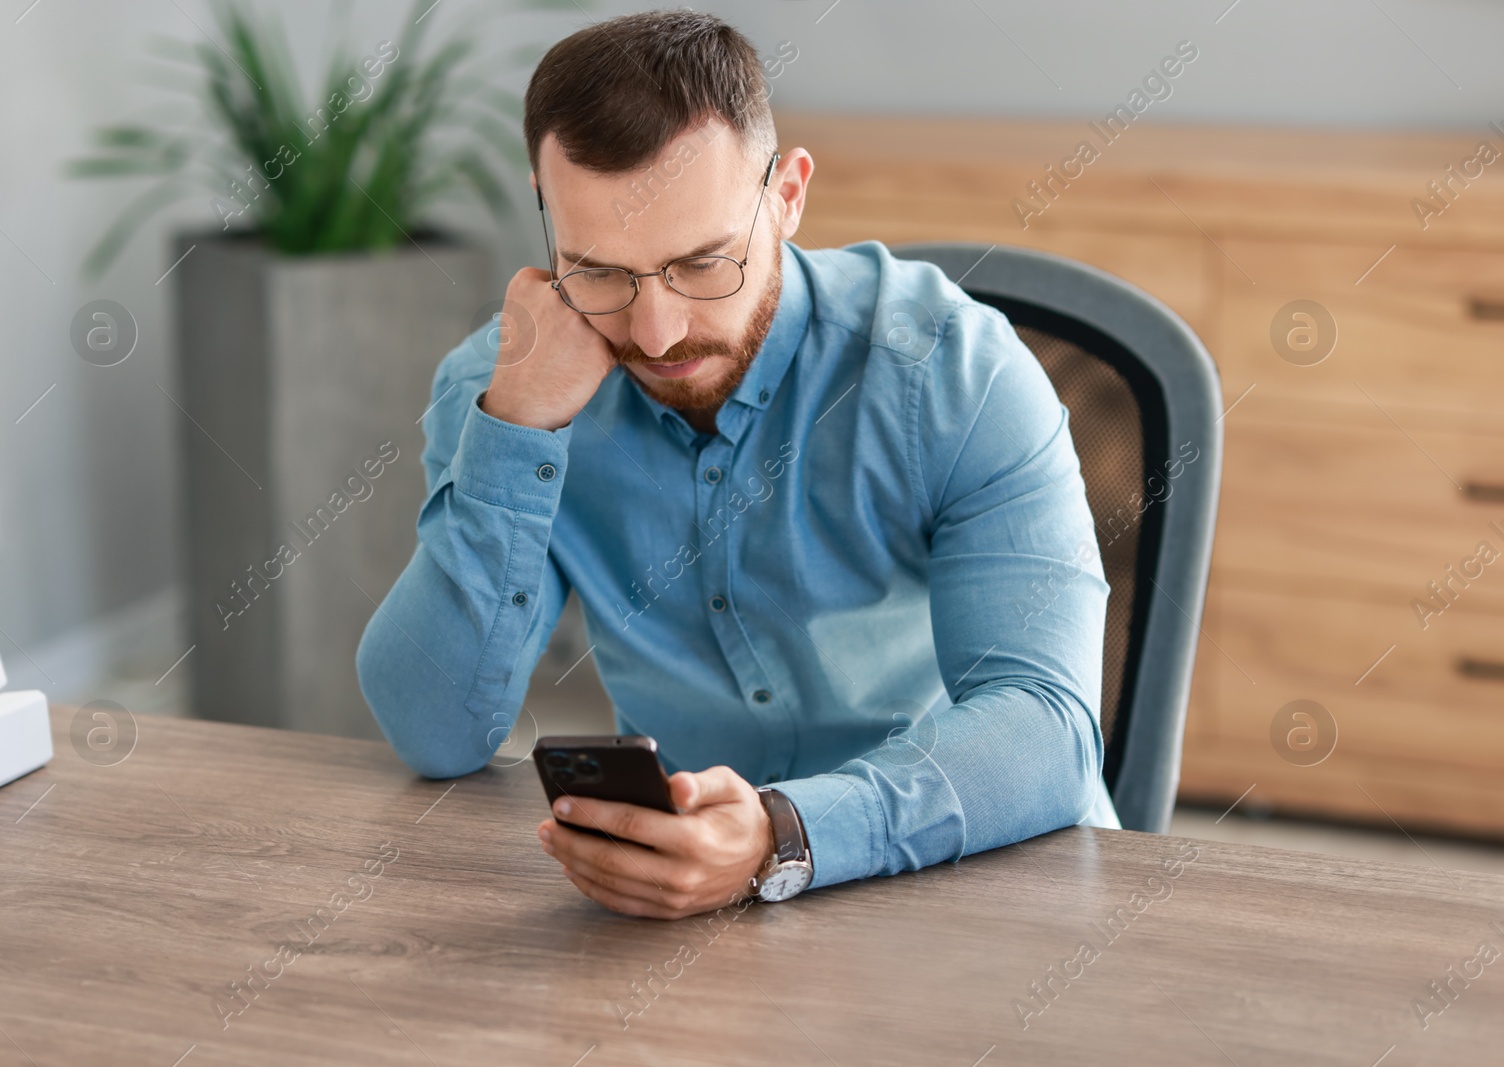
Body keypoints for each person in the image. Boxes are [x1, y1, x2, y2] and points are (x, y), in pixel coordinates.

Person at [356, 10, 1119, 920]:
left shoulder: (956, 371)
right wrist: (518, 427)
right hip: (689, 910)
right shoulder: (506, 389)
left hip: (977, 874)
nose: (655, 332)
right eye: (598, 272)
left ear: (788, 195)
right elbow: (434, 733)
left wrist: (781, 834)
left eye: (701, 263)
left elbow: (1045, 728)